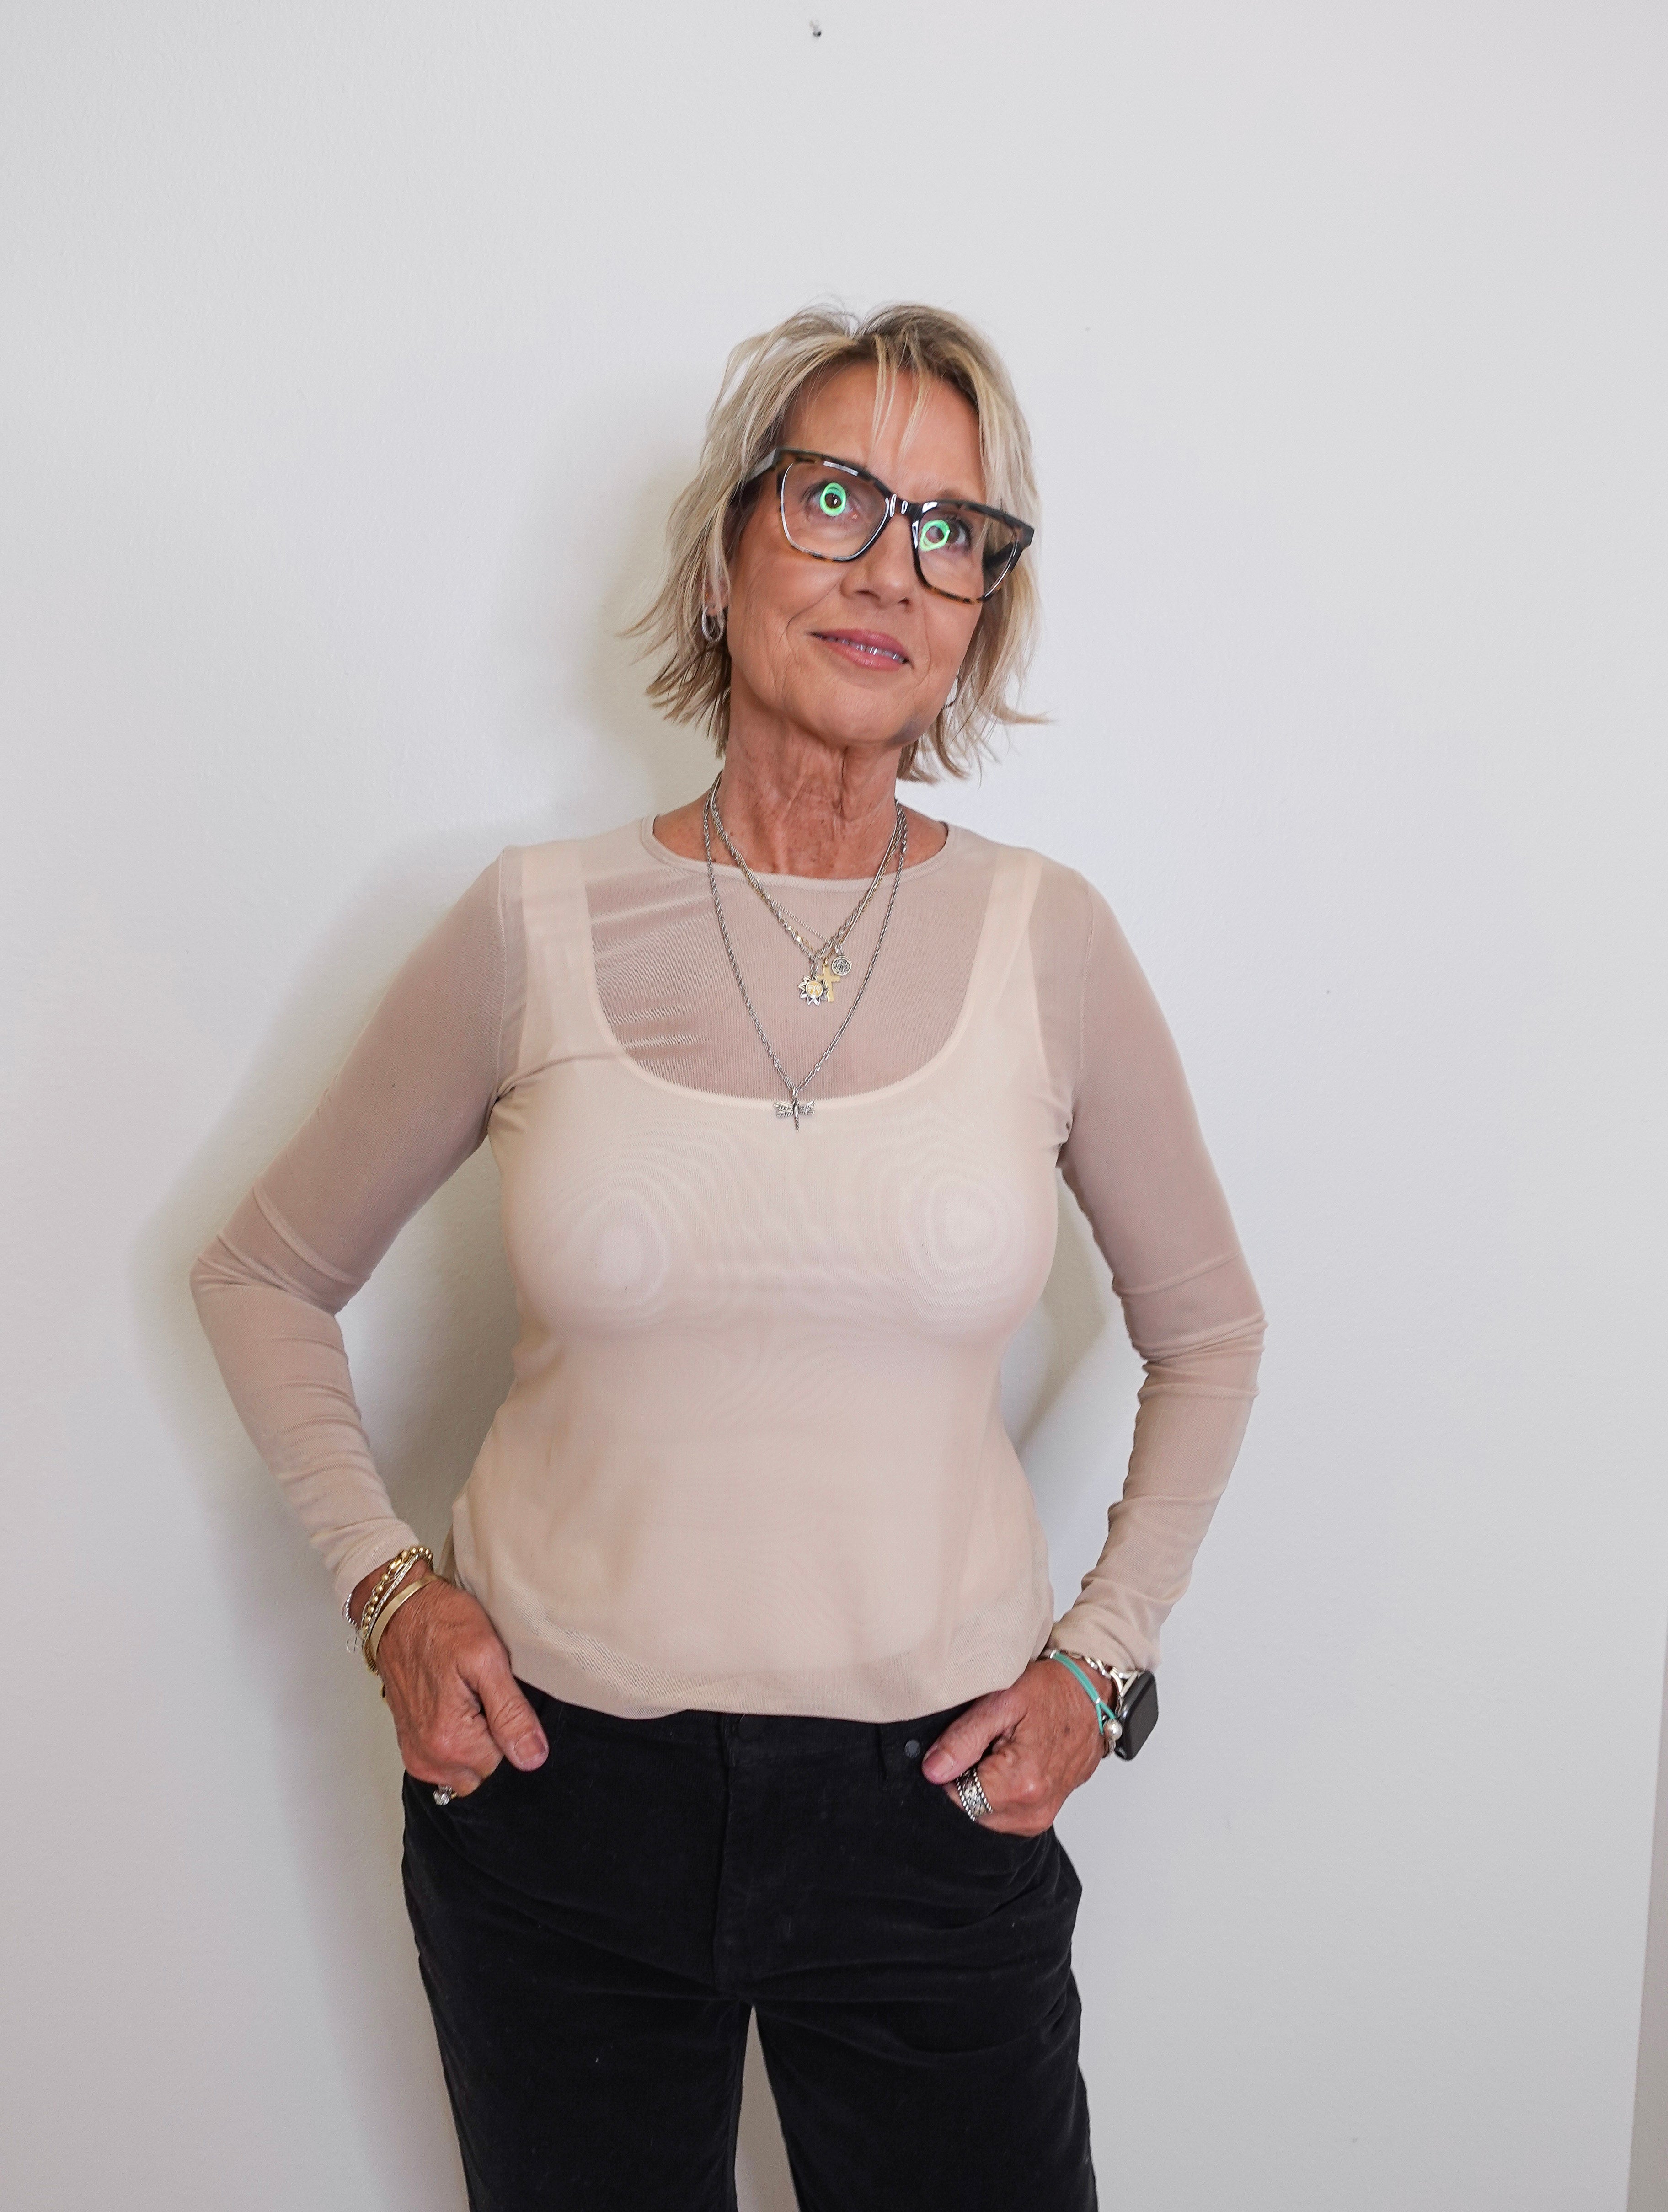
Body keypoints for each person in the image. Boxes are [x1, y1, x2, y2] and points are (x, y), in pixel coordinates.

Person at [192, 302, 1265, 2212]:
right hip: (557, 1807)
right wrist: (389, 1598)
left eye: (953, 529)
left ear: (983, 611)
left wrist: (1098, 1667)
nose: (890, 567)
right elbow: (263, 1273)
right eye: (838, 495)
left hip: (935, 1812)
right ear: (723, 554)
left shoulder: (1052, 943)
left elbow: (1211, 1331)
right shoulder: (533, 924)